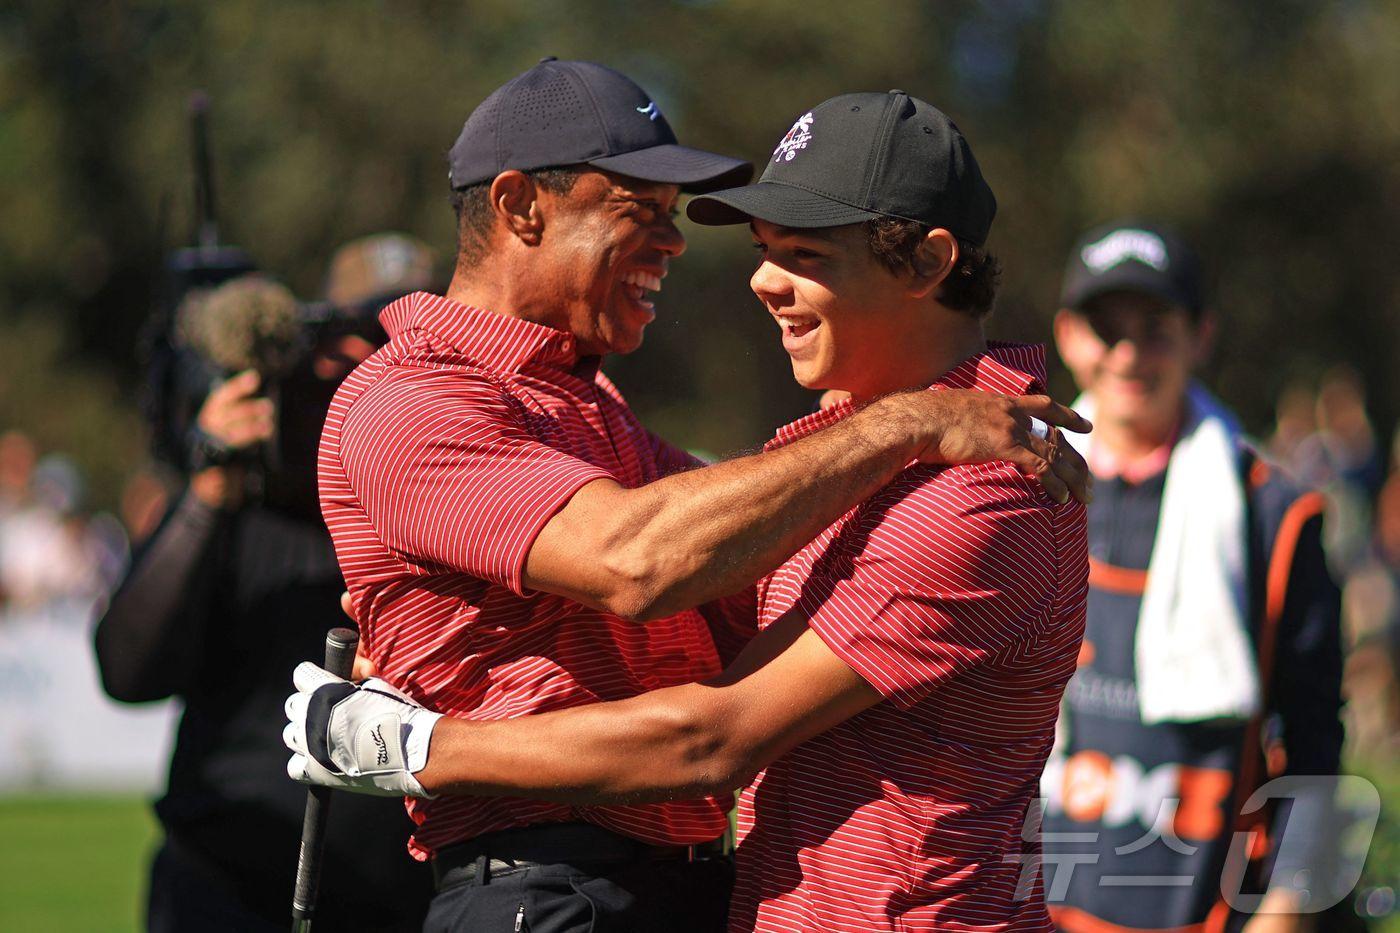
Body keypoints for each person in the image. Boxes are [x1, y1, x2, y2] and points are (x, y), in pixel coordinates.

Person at [288, 88, 1090, 932]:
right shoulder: (420, 398)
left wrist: (416, 745)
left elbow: (708, 728)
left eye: (805, 253)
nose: (758, 278)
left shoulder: (982, 480)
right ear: (518, 204)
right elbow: (655, 559)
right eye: (643, 208)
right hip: (552, 887)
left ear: (929, 263)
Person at [94, 273, 434, 932]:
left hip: (395, 898)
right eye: (328, 368)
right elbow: (128, 672)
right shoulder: (237, 509)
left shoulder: (437, 517)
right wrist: (213, 479)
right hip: (222, 890)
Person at [1036, 222, 1344, 931]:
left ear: (1201, 335)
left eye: (1155, 328)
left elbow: (1314, 735)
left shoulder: (1274, 514)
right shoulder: (1014, 490)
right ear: (1067, 335)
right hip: (1027, 906)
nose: (1127, 353)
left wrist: (1289, 903)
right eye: (1104, 327)